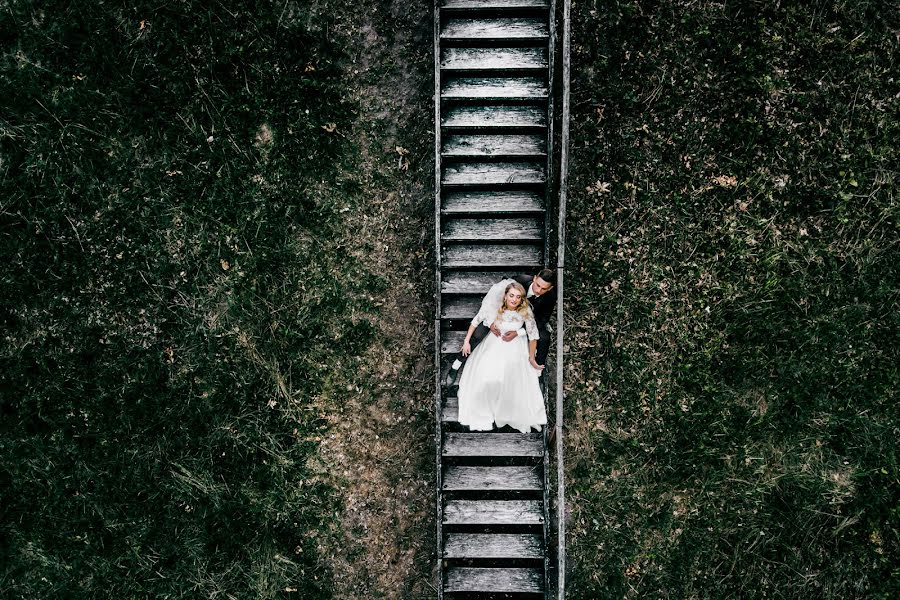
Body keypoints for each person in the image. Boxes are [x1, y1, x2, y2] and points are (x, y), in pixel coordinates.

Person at [455, 280, 548, 433]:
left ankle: (506, 411)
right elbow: (476, 320)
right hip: (494, 344)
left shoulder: (525, 311)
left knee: (510, 380)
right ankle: (487, 410)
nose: (514, 300)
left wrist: (532, 358)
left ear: (522, 299)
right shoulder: (495, 307)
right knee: (487, 379)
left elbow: (533, 335)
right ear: (505, 296)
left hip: (516, 347)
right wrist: (466, 341)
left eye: (518, 297)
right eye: (511, 295)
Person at [445, 268, 557, 387]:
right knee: (479, 334)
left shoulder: (550, 297)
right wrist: (492, 322)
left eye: (543, 288)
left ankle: (537, 374)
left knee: (544, 337)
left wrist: (518, 332)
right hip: (501, 314)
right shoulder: (519, 281)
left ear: (549, 288)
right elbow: (496, 297)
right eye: (537, 285)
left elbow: (541, 320)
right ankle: (456, 364)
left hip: (527, 321)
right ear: (534, 278)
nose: (538, 290)